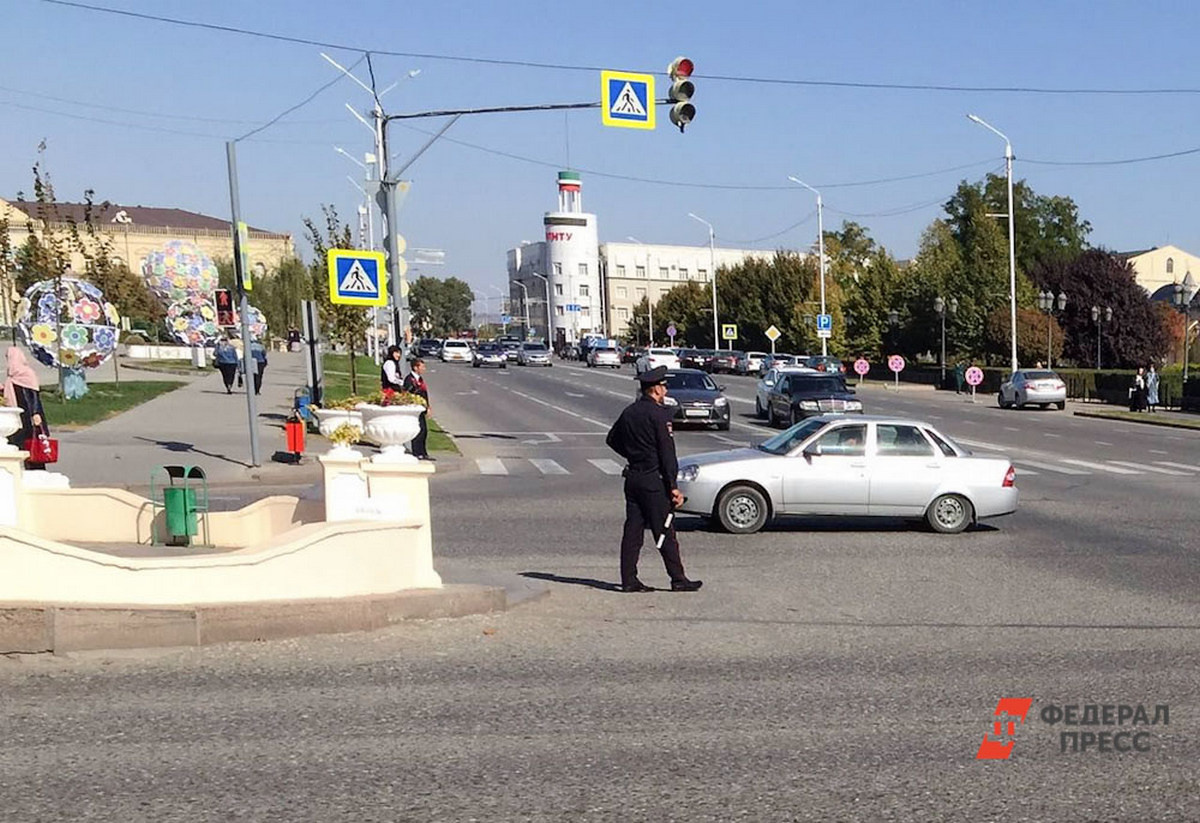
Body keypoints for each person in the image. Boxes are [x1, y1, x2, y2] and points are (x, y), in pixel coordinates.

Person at [605, 366, 702, 593]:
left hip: (633, 478)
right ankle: (678, 578)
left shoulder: (629, 412)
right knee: (665, 530)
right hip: (654, 481)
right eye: (664, 385)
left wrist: (632, 454)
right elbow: (667, 454)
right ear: (656, 389)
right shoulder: (659, 415)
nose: (666, 389)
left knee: (633, 531)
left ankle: (629, 579)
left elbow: (612, 439)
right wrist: (674, 487)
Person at [4, 347, 49, 470]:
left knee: (33, 443)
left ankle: (37, 468)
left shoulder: (27, 374)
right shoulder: (11, 377)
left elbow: (34, 395)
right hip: (18, 415)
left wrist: (35, 413)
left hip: (30, 415)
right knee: (20, 443)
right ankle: (24, 467)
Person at [403, 357, 432, 461]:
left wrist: (428, 407)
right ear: (415, 367)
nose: (424, 368)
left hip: (421, 409)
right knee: (417, 431)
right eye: (422, 366)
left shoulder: (420, 379)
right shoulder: (409, 379)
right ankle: (416, 452)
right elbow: (408, 393)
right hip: (414, 409)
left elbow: (424, 393)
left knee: (424, 431)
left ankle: (423, 452)